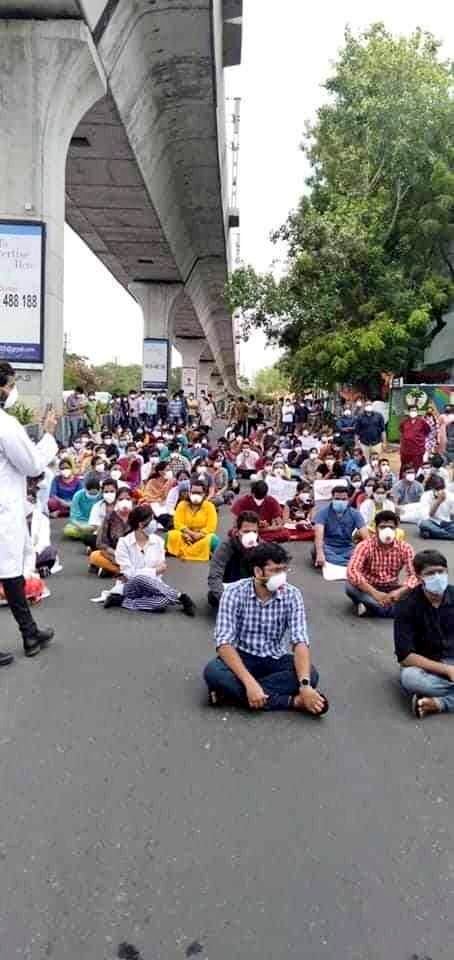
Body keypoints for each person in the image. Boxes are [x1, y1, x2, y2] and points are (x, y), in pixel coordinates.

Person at [203, 542, 328, 714]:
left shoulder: (292, 595)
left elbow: (300, 641)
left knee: (311, 675)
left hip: (274, 657)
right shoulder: (233, 592)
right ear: (257, 572)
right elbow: (224, 644)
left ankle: (231, 695)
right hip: (242, 656)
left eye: (284, 570)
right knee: (214, 672)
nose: (281, 575)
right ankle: (291, 701)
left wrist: (305, 686)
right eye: (275, 570)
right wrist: (250, 683)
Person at [0, 361, 57, 661]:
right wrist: (48, 434)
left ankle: (30, 633)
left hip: (8, 510)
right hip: (3, 512)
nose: (12, 391)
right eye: (10, 384)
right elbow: (33, 464)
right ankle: (29, 635)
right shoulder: (5, 425)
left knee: (13, 572)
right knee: (10, 573)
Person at [395, 549, 454, 718]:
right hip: (428, 666)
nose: (437, 576)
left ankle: (439, 703)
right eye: (430, 573)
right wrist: (448, 670)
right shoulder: (406, 605)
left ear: (447, 571)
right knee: (410, 678)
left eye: (440, 571)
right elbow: (405, 657)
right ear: (420, 578)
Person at [106, 505, 195, 614]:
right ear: (140, 524)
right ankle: (180, 596)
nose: (154, 522)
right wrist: (154, 570)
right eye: (151, 519)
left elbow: (161, 569)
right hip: (130, 586)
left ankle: (122, 602)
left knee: (163, 602)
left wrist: (154, 571)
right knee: (139, 578)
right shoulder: (124, 543)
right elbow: (130, 574)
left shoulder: (158, 541)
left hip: (154, 586)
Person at [346, 511, 417, 617]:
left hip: (392, 588)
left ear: (396, 529)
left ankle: (372, 608)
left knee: (418, 589)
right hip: (369, 587)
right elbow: (352, 571)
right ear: (376, 528)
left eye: (391, 527)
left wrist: (401, 591)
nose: (387, 531)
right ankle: (396, 610)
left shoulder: (405, 548)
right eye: (383, 527)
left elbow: (415, 574)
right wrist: (375, 593)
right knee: (350, 587)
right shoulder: (365, 545)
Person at [207, 511, 261, 608]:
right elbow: (214, 577)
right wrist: (226, 600)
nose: (251, 535)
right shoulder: (225, 547)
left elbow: (271, 574)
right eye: (246, 531)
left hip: (253, 589)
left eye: (254, 531)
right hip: (230, 587)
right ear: (236, 532)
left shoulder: (262, 547)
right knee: (213, 597)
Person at [313, 486, 368, 574]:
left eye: (343, 499)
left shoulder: (355, 514)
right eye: (337, 499)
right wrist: (320, 553)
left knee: (361, 551)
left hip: (347, 548)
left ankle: (340, 563)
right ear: (332, 498)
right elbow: (318, 535)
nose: (340, 501)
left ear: (348, 499)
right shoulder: (323, 512)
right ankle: (353, 564)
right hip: (328, 547)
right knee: (316, 550)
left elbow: (366, 536)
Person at [166, 479, 219, 561]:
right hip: (185, 536)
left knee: (213, 539)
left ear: (204, 494)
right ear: (190, 493)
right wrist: (188, 534)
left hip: (202, 537)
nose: (195, 495)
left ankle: (184, 551)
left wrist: (199, 535)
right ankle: (200, 552)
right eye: (193, 492)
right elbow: (178, 523)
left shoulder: (210, 506)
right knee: (171, 535)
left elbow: (211, 526)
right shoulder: (182, 504)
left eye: (199, 493)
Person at [89, 488, 133, 576]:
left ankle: (111, 570)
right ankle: (120, 571)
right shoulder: (109, 517)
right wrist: (115, 553)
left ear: (132, 500)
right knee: (95, 555)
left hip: (133, 555)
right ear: (116, 501)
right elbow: (100, 542)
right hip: (114, 554)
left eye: (128, 499)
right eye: (120, 499)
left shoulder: (137, 516)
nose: (124, 502)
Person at [63, 477, 101, 544]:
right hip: (81, 522)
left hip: (96, 523)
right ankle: (91, 535)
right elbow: (73, 516)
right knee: (68, 530)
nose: (92, 496)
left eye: (95, 494)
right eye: (90, 493)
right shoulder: (78, 495)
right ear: (86, 489)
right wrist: (80, 526)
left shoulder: (102, 496)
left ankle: (88, 535)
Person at [418, 475, 454, 540]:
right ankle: (449, 535)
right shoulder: (426, 496)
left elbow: (452, 514)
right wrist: (438, 502)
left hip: (446, 523)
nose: (440, 491)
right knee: (424, 524)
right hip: (431, 522)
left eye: (442, 488)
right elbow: (427, 516)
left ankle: (433, 534)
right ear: (432, 488)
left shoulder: (450, 496)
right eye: (437, 489)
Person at [399, 407, 430, 476]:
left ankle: (416, 482)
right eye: (411, 410)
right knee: (404, 467)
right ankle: (402, 482)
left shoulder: (422, 422)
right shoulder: (404, 422)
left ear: (417, 411)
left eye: (415, 410)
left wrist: (418, 439)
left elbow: (427, 431)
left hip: (417, 449)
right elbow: (401, 431)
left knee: (417, 467)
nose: (413, 412)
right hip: (406, 450)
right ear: (408, 412)